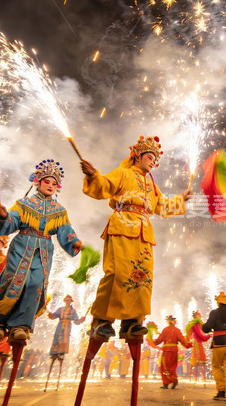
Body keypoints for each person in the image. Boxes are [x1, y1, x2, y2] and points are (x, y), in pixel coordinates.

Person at [80, 136, 189, 339]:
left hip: (144, 232)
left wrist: (180, 199)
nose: (153, 162)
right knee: (116, 273)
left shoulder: (152, 186)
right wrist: (93, 174)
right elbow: (103, 186)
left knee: (142, 277)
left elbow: (162, 207)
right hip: (122, 224)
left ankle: (132, 322)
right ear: (137, 156)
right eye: (150, 156)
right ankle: (102, 320)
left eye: (155, 159)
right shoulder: (123, 173)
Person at [0, 159, 84, 343]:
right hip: (21, 245)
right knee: (13, 279)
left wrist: (75, 242)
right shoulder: (23, 204)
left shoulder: (59, 211)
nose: (50, 185)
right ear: (38, 182)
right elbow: (11, 223)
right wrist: (4, 217)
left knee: (36, 284)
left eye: (53, 183)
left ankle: (21, 326)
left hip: (43, 250)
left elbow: (66, 231)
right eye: (46, 181)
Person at [155, 315, 192, 389]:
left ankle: (166, 383)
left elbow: (159, 340)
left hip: (167, 350)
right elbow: (182, 340)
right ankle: (174, 380)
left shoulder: (165, 329)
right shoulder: (177, 330)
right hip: (174, 350)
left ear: (169, 322)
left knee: (164, 366)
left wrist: (153, 343)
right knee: (172, 367)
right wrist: (188, 345)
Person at [49, 295, 85, 359]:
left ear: (71, 301)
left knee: (65, 338)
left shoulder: (73, 311)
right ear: (64, 300)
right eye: (66, 300)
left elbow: (76, 321)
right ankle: (54, 352)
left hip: (67, 326)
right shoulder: (60, 309)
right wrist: (50, 314)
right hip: (60, 325)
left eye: (69, 300)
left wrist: (81, 320)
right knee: (57, 336)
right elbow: (54, 316)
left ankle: (61, 353)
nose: (67, 301)